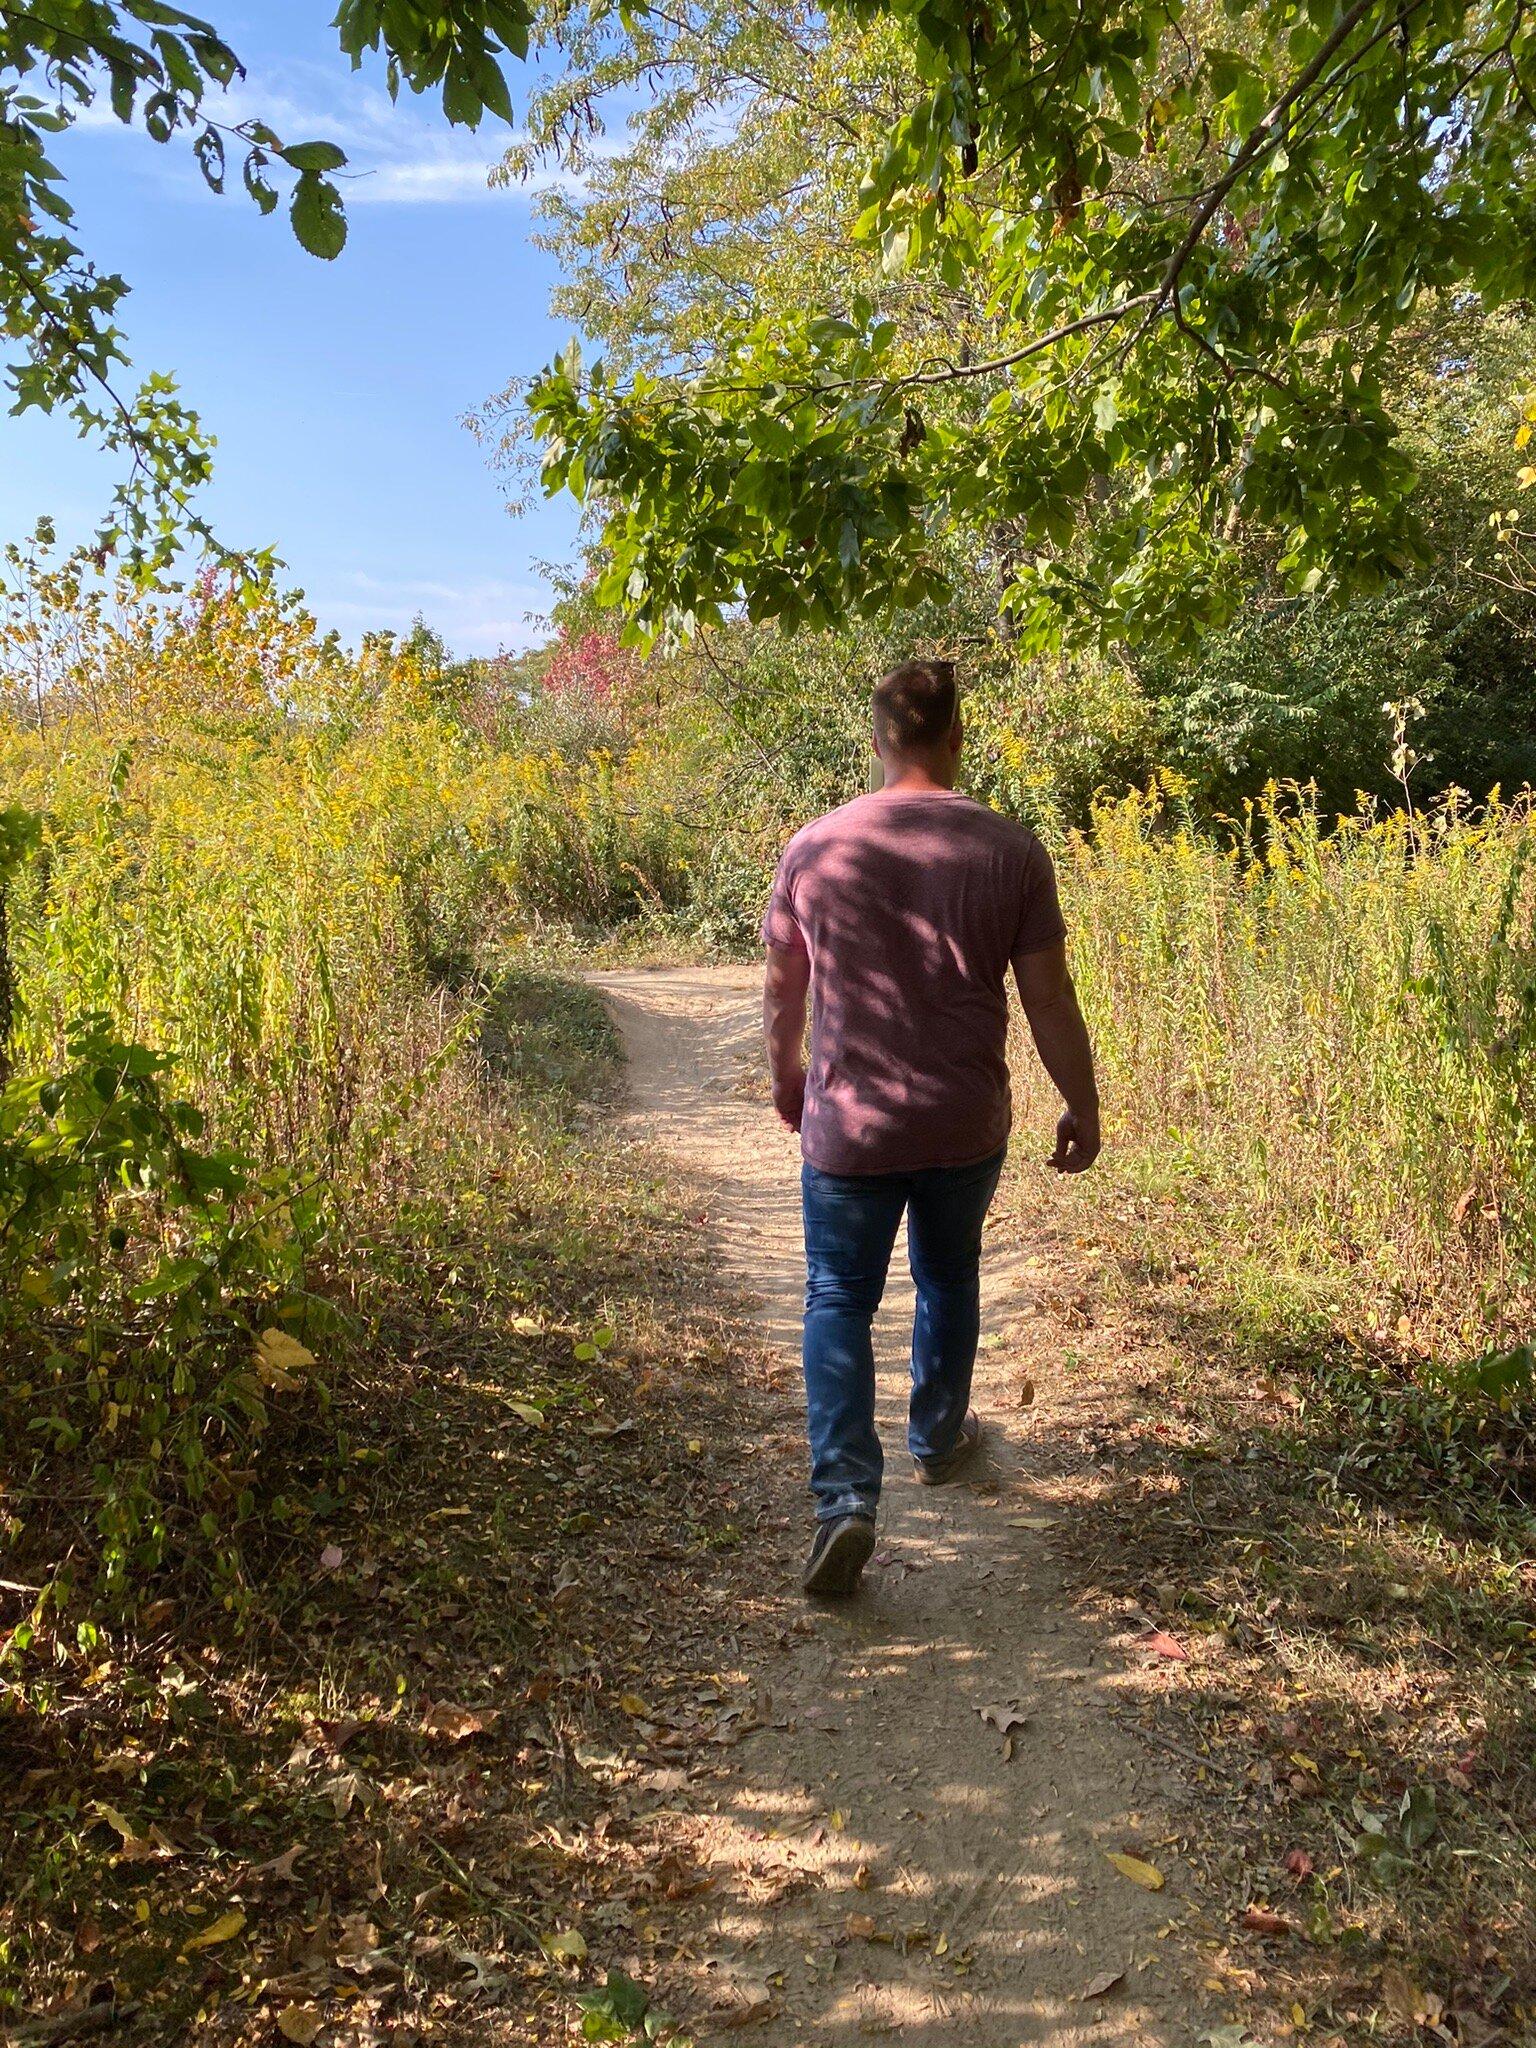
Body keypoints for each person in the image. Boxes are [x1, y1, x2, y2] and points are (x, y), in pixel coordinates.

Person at [761, 657, 1102, 1596]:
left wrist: (787, 1077)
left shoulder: (814, 849)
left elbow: (784, 991)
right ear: (956, 738)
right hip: (962, 1120)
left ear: (877, 741)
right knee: (948, 1273)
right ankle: (941, 1440)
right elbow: (1049, 999)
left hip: (850, 1125)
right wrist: (1082, 1100)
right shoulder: (1008, 850)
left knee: (838, 1296)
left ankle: (844, 1504)